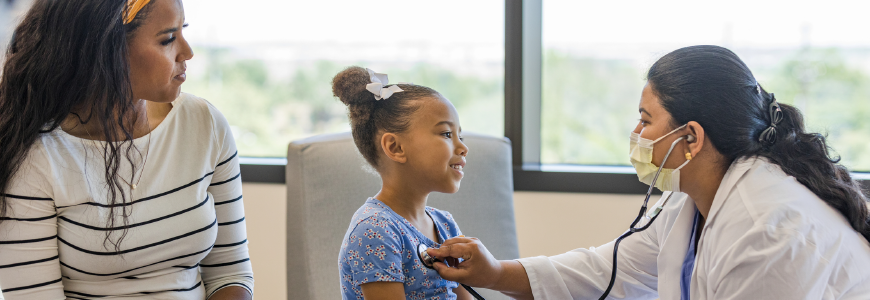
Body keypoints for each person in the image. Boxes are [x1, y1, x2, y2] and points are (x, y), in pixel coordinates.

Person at [426, 45, 870, 299]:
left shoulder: (767, 229)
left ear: (691, 139)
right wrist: (495, 274)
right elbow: (614, 268)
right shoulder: (690, 199)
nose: (635, 132)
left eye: (645, 118)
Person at [0, 0, 253, 299]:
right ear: (107, 50)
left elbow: (231, 273)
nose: (187, 52)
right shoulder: (36, 156)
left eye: (183, 31)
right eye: (168, 39)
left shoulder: (205, 124)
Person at [332, 66, 473, 300]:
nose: (463, 147)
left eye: (461, 136)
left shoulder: (445, 224)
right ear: (395, 148)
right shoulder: (375, 229)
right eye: (447, 134)